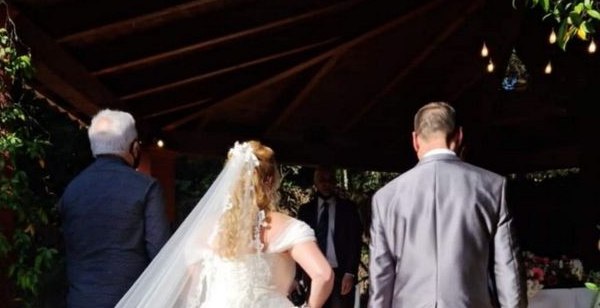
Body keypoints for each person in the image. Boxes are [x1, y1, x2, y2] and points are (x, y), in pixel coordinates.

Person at [115, 140, 334, 308]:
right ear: (268, 181)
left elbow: (192, 285)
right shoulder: (286, 226)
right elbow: (323, 275)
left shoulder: (204, 229)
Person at [369, 101, 527, 308]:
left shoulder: (385, 197)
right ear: (459, 136)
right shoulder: (493, 187)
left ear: (415, 140)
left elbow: (380, 276)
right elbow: (508, 269)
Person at [59, 109, 171, 308]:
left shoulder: (72, 190)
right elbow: (160, 254)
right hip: (133, 301)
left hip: (79, 301)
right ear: (134, 147)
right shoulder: (146, 187)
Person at [297, 167, 363, 308]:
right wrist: (296, 277)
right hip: (313, 273)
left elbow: (355, 242)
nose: (327, 184)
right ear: (315, 183)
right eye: (322, 180)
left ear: (335, 182)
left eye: (330, 180)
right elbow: (299, 243)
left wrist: (350, 273)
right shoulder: (305, 211)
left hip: (340, 273)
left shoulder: (348, 208)